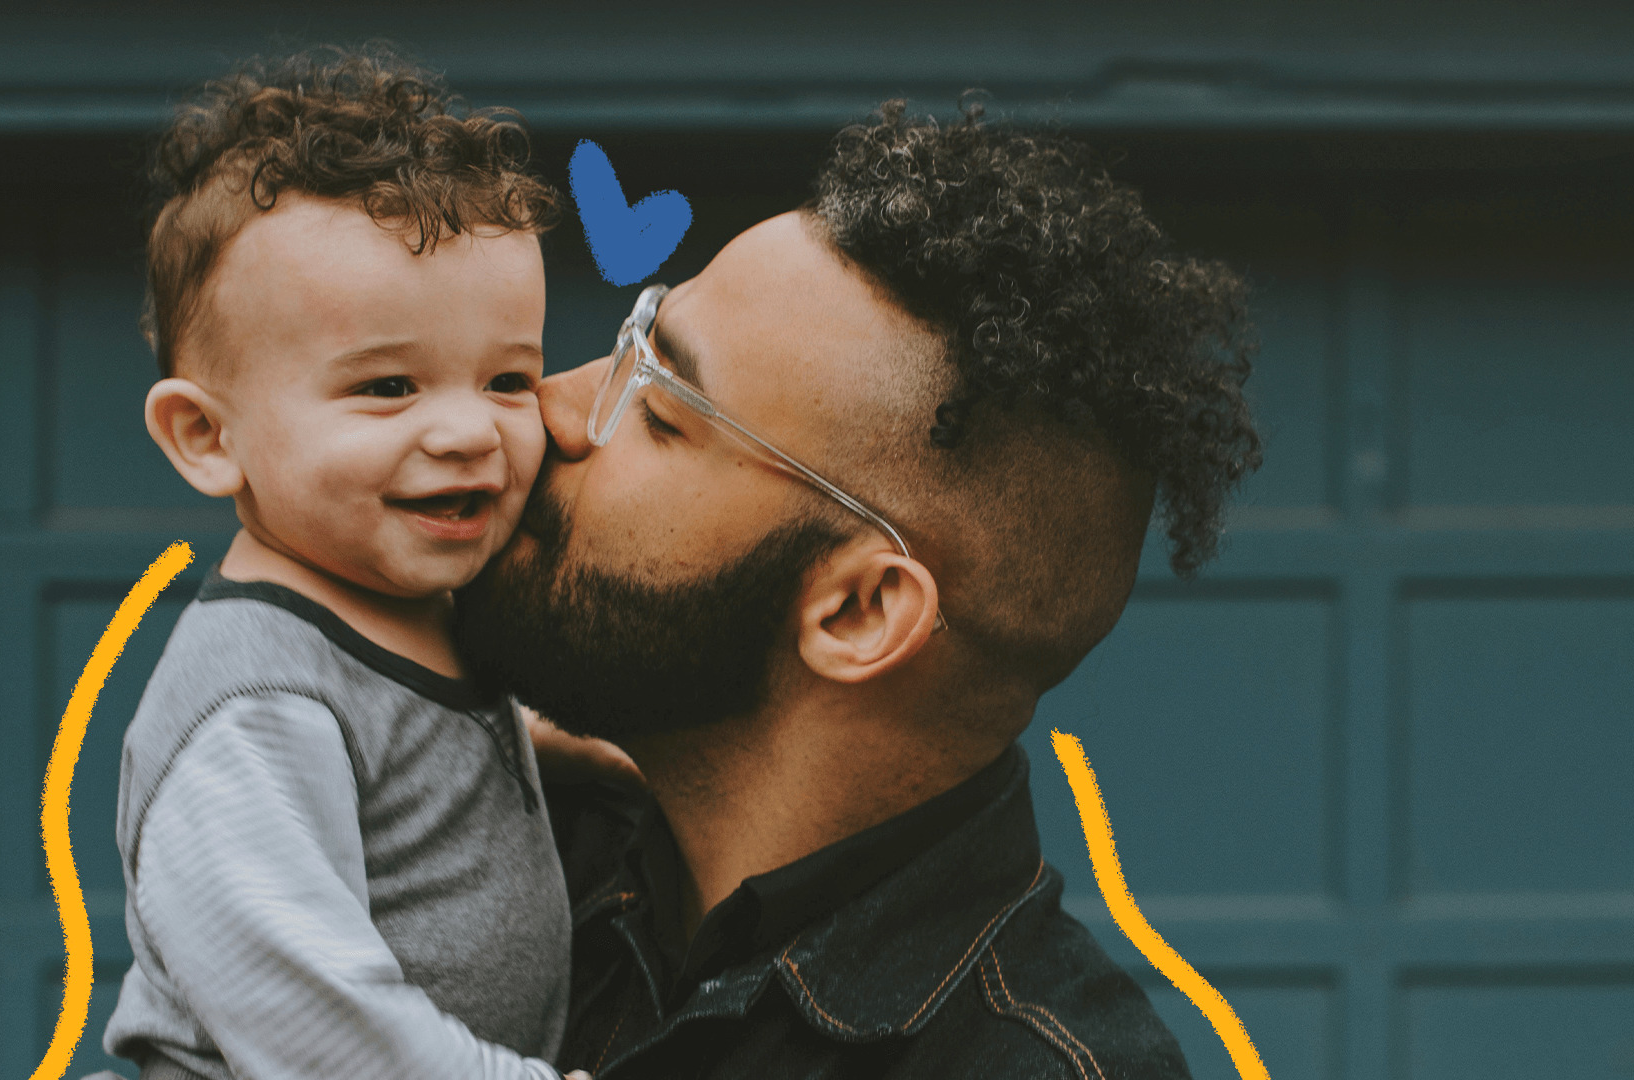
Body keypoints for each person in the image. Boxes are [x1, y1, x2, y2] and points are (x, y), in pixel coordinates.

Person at [456, 101, 1262, 1078]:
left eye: (663, 409)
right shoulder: (484, 834)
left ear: (859, 611)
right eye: (635, 339)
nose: (553, 405)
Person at [97, 47, 587, 1080]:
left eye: (507, 378)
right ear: (206, 436)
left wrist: (573, 752)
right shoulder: (255, 705)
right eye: (386, 388)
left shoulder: (412, 608)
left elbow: (422, 753)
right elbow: (313, 1023)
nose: (467, 432)